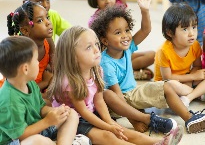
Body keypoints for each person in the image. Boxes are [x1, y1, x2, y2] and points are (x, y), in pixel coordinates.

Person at [90, 0, 205, 134]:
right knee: (108, 94)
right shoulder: (106, 63)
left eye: (127, 30)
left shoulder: (126, 48)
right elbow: (119, 97)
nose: (126, 36)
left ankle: (190, 118)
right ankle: (149, 117)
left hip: (133, 93)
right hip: (119, 103)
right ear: (104, 40)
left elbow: (145, 30)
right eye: (118, 32)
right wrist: (134, 121)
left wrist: (145, 10)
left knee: (166, 86)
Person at [47, 25, 184, 145]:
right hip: (72, 121)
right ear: (72, 56)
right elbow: (83, 113)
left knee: (121, 130)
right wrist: (108, 127)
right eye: (89, 47)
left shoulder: (97, 70)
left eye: (96, 44)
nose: (96, 50)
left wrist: (110, 122)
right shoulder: (71, 82)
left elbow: (99, 100)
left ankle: (159, 143)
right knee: (109, 137)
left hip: (91, 113)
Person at [0, 36, 79, 145]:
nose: (38, 63)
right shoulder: (9, 100)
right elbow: (20, 135)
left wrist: (54, 112)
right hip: (17, 140)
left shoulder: (30, 83)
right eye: (36, 60)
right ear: (26, 69)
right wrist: (47, 121)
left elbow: (40, 107)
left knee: (71, 114)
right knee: (38, 141)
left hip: (38, 128)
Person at [154, 2, 205, 106]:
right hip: (166, 84)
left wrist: (192, 76)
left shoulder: (195, 45)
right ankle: (200, 94)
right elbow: (168, 77)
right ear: (170, 32)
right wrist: (192, 77)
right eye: (185, 29)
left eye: (194, 27)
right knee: (171, 85)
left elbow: (197, 66)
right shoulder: (164, 51)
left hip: (186, 78)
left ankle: (188, 97)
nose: (191, 33)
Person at [88, 0, 155, 80]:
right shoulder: (94, 21)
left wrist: (145, 10)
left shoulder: (119, 9)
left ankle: (127, 72)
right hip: (108, 57)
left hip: (123, 53)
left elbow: (145, 30)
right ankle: (129, 73)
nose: (108, 1)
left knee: (153, 55)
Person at [6, 1, 54, 99]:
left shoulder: (48, 40)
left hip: (45, 80)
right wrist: (45, 82)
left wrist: (54, 77)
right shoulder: (22, 52)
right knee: (49, 101)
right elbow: (21, 88)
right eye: (40, 21)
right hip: (24, 90)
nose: (48, 22)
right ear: (25, 30)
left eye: (47, 17)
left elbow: (54, 55)